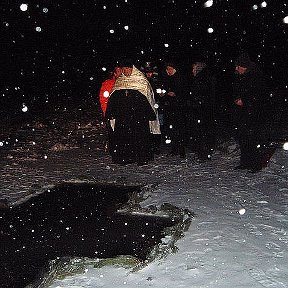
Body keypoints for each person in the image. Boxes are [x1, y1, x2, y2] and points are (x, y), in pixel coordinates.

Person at [105, 59, 161, 166]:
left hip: (138, 116)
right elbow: (113, 98)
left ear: (133, 69)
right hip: (123, 116)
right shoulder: (119, 82)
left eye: (127, 69)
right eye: (123, 69)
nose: (125, 71)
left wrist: (150, 113)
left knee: (139, 137)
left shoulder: (141, 81)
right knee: (123, 137)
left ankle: (141, 157)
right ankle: (125, 157)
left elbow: (148, 98)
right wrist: (111, 112)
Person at [231, 52, 269, 173]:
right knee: (243, 138)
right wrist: (236, 98)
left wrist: (245, 101)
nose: (236, 69)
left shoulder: (256, 76)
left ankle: (255, 164)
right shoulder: (240, 76)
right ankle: (245, 162)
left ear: (245, 66)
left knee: (253, 138)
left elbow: (258, 95)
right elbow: (236, 90)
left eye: (238, 66)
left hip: (254, 113)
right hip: (243, 112)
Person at [187, 60, 216, 161]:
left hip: (202, 110)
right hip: (203, 110)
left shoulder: (202, 79)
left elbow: (202, 95)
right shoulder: (202, 78)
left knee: (202, 133)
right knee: (203, 132)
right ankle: (204, 153)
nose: (192, 70)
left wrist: (195, 103)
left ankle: (204, 154)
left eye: (194, 68)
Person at [160, 61, 187, 158]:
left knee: (179, 129)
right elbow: (165, 89)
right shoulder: (167, 78)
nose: (169, 71)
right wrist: (164, 94)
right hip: (170, 107)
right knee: (171, 129)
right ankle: (174, 149)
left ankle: (181, 150)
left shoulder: (179, 78)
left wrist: (176, 94)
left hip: (178, 107)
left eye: (170, 69)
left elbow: (183, 92)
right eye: (167, 69)